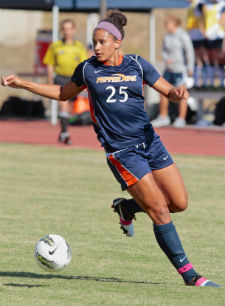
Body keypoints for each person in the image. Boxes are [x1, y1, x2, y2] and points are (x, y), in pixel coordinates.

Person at [1, 10, 220, 287]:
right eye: (94, 41)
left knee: (179, 203)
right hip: (122, 153)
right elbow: (61, 93)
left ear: (117, 42)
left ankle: (127, 209)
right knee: (159, 212)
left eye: (102, 41)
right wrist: (22, 83)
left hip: (151, 143)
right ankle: (191, 276)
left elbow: (168, 91)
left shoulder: (138, 65)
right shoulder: (88, 69)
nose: (97, 47)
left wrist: (177, 94)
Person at [43, 19, 87, 144]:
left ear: (73, 30)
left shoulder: (78, 46)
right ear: (62, 30)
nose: (67, 32)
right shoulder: (55, 46)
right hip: (60, 78)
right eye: (64, 29)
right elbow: (50, 64)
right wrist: (50, 80)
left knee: (69, 108)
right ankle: (65, 132)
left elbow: (84, 64)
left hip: (74, 79)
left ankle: (63, 132)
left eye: (69, 29)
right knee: (63, 103)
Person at [151, 15, 195, 128]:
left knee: (181, 93)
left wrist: (190, 68)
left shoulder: (183, 35)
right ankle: (163, 116)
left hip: (180, 69)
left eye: (168, 23)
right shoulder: (167, 37)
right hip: (169, 69)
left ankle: (181, 118)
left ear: (175, 23)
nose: (166, 25)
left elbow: (189, 52)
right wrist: (166, 59)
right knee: (163, 92)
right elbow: (163, 51)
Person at [198, 0, 225, 88]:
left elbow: (222, 20)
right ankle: (209, 83)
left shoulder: (222, 4)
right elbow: (202, 18)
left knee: (220, 60)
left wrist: (211, 32)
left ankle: (221, 83)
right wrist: (203, 31)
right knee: (209, 61)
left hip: (217, 36)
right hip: (207, 37)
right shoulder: (204, 4)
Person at [186, 0, 209, 87]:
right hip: (192, 36)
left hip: (199, 36)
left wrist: (204, 29)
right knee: (194, 59)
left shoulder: (199, 4)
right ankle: (195, 82)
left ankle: (206, 82)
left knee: (203, 58)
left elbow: (204, 16)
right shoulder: (191, 5)